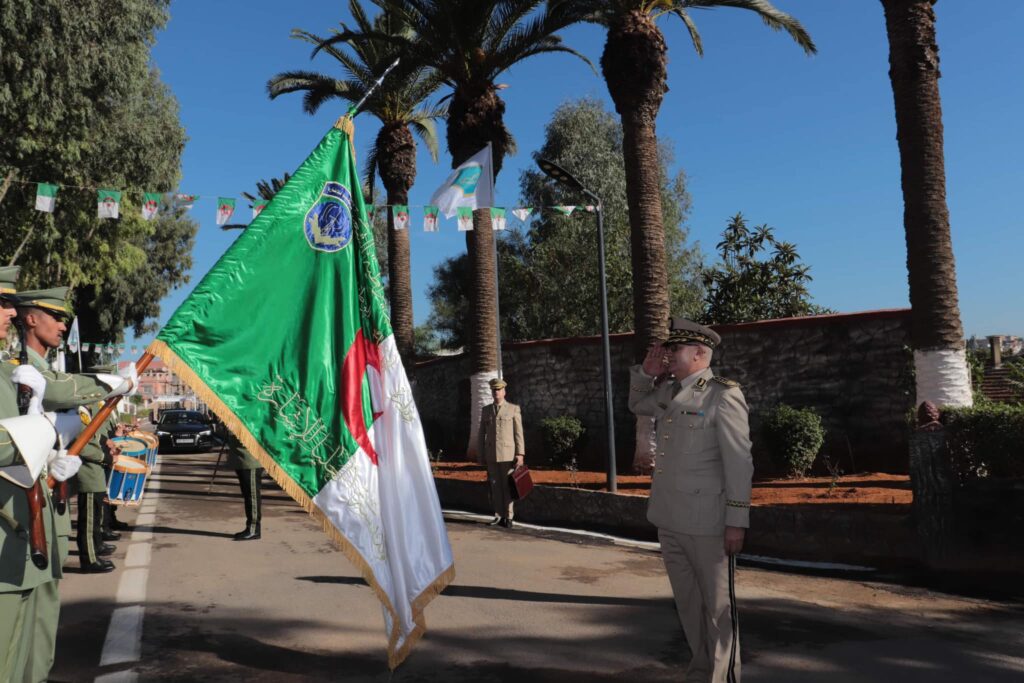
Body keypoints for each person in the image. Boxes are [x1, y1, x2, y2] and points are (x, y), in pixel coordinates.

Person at [11, 286, 138, 681]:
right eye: (55, 316)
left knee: (40, 638)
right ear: (30, 318)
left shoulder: (47, 371)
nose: (64, 324)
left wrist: (55, 452)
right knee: (11, 648)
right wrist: (113, 383)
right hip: (16, 516)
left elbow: (62, 392)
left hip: (47, 512)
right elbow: (58, 396)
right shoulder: (18, 369)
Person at [628, 318, 753, 683]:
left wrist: (736, 521)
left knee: (718, 611)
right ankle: (701, 672)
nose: (667, 355)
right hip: (670, 518)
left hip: (708, 522)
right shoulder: (669, 390)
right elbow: (638, 405)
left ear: (699, 354)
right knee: (688, 605)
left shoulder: (722, 394)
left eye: (674, 350)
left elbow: (739, 461)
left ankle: (724, 678)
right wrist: (645, 374)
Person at [0, 268, 87, 682]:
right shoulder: (14, 370)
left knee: (33, 655)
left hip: (34, 520)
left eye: (8, 304)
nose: (8, 313)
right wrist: (48, 431)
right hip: (10, 526)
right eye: (1, 305)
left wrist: (52, 457)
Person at [476, 377, 525, 529]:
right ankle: (499, 515)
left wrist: (520, 454)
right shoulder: (486, 410)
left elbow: (518, 433)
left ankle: (509, 516)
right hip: (491, 454)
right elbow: (481, 434)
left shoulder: (513, 409)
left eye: (498, 389)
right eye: (493, 390)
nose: (495, 392)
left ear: (504, 391)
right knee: (495, 486)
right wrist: (481, 454)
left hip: (508, 455)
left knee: (507, 486)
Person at [225, 432, 263, 540]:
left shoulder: (253, 415)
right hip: (241, 458)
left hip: (250, 460)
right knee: (248, 495)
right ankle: (251, 527)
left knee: (252, 495)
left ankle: (254, 529)